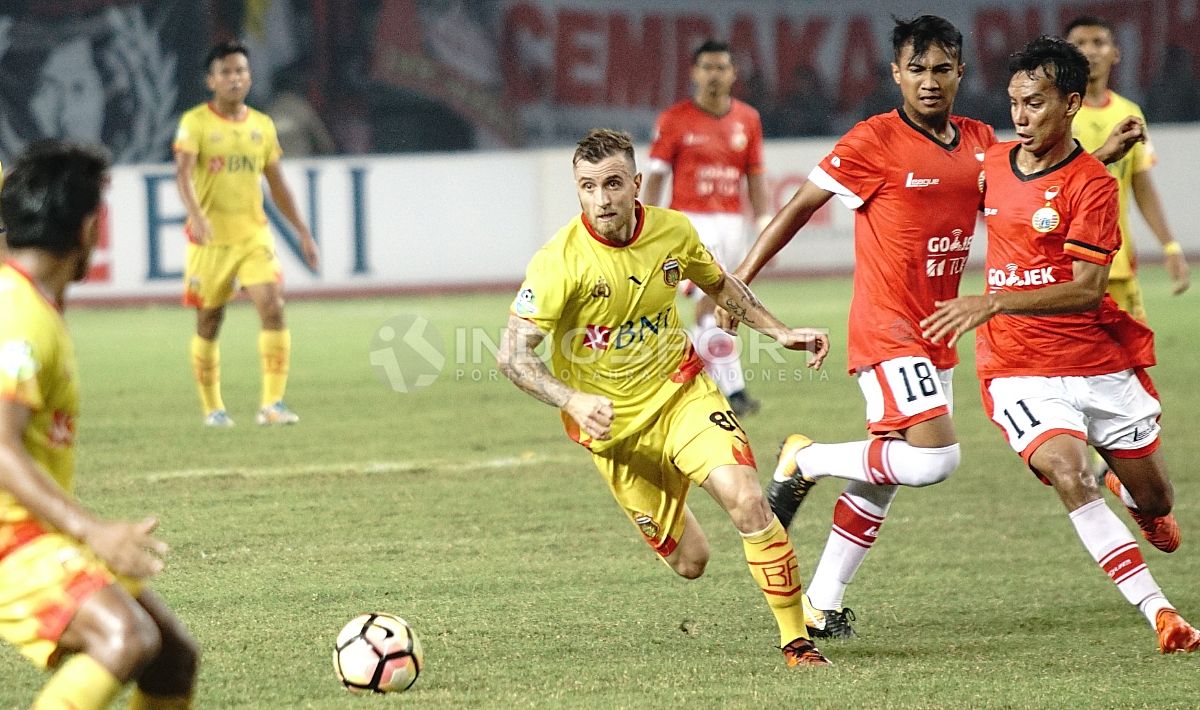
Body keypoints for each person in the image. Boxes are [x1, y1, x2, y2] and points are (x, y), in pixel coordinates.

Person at [723, 15, 1143, 640]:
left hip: (938, 330)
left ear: (959, 74)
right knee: (936, 459)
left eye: (941, 69)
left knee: (886, 475)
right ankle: (807, 458)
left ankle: (820, 600)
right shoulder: (873, 141)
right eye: (915, 69)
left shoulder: (979, 140)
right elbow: (798, 207)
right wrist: (740, 282)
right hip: (888, 326)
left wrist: (1099, 158)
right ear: (896, 74)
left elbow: (1027, 191)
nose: (928, 81)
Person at [497, 129, 832, 667]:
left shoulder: (673, 231)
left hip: (682, 398)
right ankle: (774, 495)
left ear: (636, 184)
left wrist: (780, 331)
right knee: (692, 562)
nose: (602, 198)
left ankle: (798, 642)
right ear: (576, 190)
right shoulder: (559, 261)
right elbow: (511, 355)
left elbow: (720, 285)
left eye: (612, 184)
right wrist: (572, 400)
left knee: (746, 502)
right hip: (615, 435)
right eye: (588, 186)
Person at [921, 36, 1199, 654]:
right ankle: (1162, 614)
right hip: (1018, 367)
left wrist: (990, 299)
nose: (1020, 117)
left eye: (1037, 104)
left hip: (1095, 362)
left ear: (1070, 103)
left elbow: (1085, 289)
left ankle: (1137, 496)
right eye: (1015, 103)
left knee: (1159, 502)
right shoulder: (992, 163)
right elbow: (1038, 186)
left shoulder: (1096, 187)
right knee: (1071, 473)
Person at [0, 140, 201, 708]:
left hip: (34, 530)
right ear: (90, 229)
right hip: (11, 542)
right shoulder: (18, 318)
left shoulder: (28, 302)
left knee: (170, 657)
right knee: (127, 637)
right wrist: (94, 531)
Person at [174, 40, 319, 427]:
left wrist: (303, 231)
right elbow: (183, 175)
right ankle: (213, 408)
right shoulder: (195, 123)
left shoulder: (262, 126)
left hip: (253, 236)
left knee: (272, 306)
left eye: (241, 71)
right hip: (210, 241)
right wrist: (197, 216)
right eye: (226, 72)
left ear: (250, 77)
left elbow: (278, 184)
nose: (235, 78)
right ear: (211, 81)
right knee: (209, 321)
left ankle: (272, 404)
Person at [642, 40, 772, 416]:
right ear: (694, 73)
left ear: (732, 74)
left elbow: (755, 175)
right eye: (707, 67)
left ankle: (687, 379)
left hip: (732, 222)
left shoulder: (748, 118)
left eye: (721, 67)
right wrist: (647, 224)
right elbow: (656, 176)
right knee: (712, 303)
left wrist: (764, 223)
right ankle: (733, 392)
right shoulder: (674, 119)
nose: (714, 74)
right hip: (690, 221)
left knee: (725, 305)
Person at [1065, 15, 1189, 321]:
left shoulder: (1129, 112)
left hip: (1117, 262)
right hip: (1066, 264)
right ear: (1066, 54)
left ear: (1115, 53)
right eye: (1079, 44)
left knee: (1132, 363)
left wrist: (1170, 246)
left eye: (1099, 42)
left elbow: (1141, 184)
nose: (1090, 51)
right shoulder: (1056, 112)